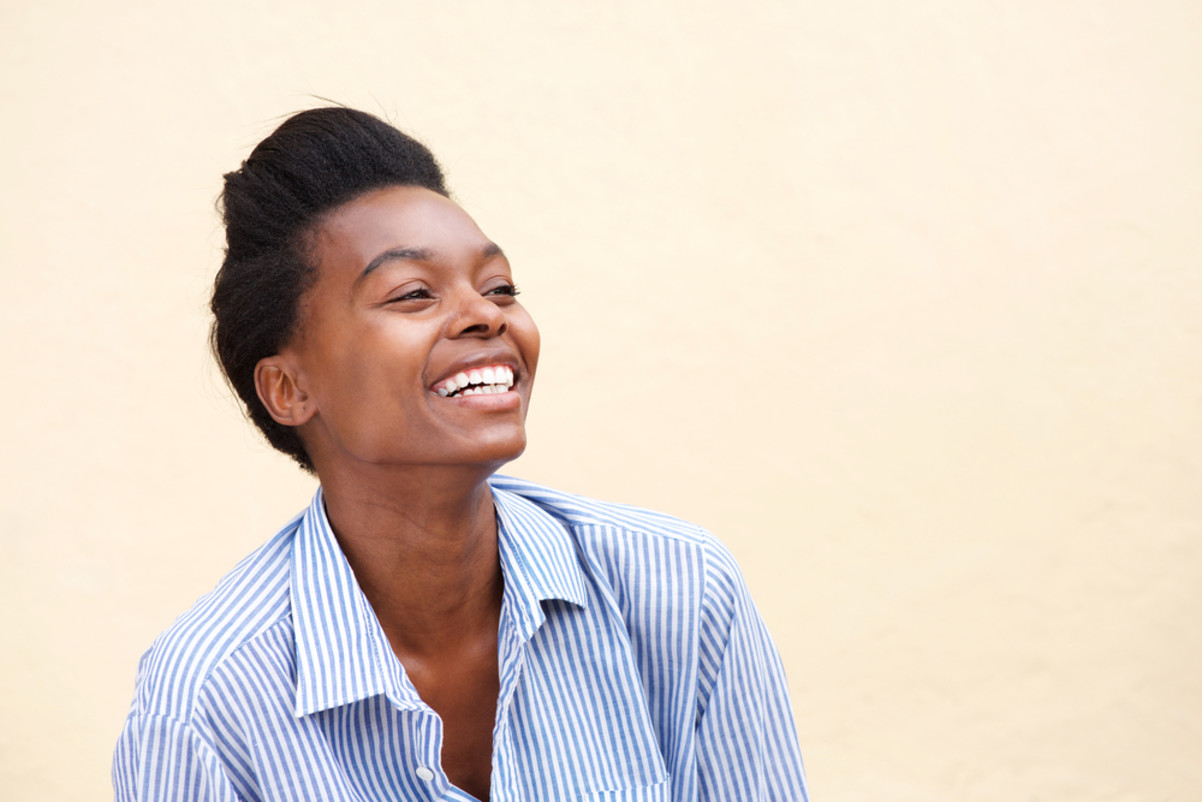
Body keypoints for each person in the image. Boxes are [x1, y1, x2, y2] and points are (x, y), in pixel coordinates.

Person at [112, 107, 809, 802]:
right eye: (414, 294)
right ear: (290, 388)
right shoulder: (207, 702)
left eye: (500, 285)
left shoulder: (679, 590)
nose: (486, 314)